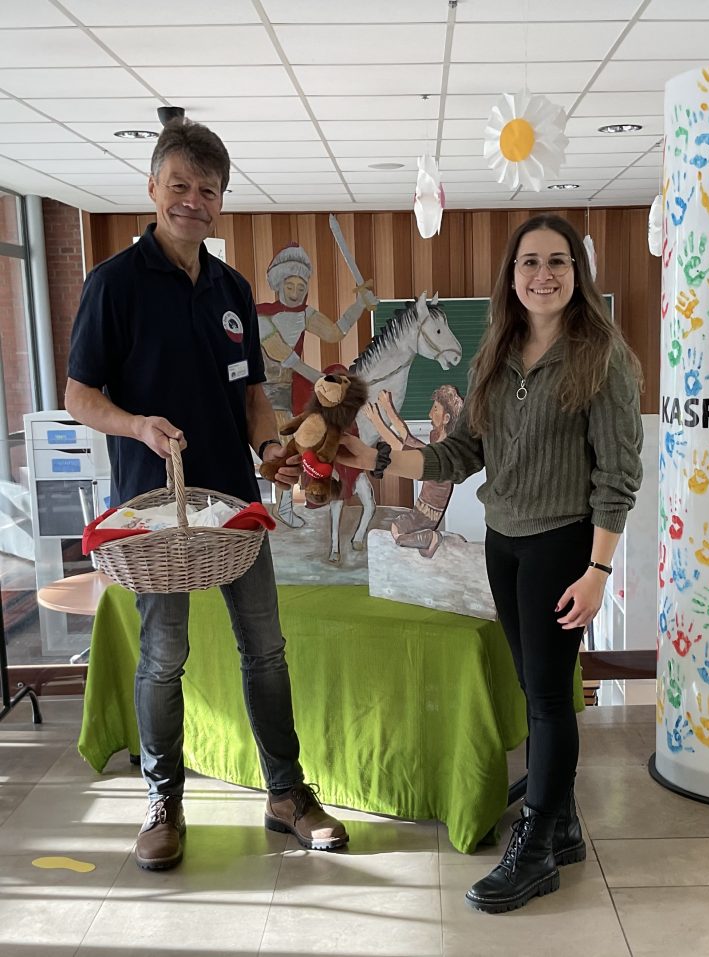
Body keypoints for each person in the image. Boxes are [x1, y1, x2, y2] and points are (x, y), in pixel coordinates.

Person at [65, 118, 349, 871]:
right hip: (155, 516)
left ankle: (286, 794)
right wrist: (137, 425)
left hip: (235, 510)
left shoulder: (231, 289)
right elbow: (78, 396)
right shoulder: (113, 284)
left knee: (267, 650)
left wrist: (270, 450)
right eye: (180, 185)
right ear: (153, 188)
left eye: (208, 189)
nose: (193, 200)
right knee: (164, 657)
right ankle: (164, 801)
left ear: (222, 200)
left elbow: (252, 393)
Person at [337, 213, 643, 912]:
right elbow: (459, 453)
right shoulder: (494, 354)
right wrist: (378, 457)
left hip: (563, 545)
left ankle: (535, 850)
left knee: (548, 697)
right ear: (512, 275)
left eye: (558, 261)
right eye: (530, 262)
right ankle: (562, 823)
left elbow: (618, 477)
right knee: (536, 689)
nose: (543, 274)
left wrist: (597, 573)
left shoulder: (602, 360)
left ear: (577, 274)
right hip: (504, 545)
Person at [257, 244, 375, 527]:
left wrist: (360, 304)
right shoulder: (260, 316)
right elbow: (286, 356)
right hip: (262, 391)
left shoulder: (305, 314)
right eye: (290, 285)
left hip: (290, 388)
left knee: (305, 438)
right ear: (278, 284)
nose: (295, 292)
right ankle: (281, 506)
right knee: (286, 446)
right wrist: (323, 381)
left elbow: (335, 333)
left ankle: (288, 504)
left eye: (301, 286)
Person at [362, 385, 464, 557]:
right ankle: (428, 544)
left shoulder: (441, 453)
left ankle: (431, 538)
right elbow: (407, 437)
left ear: (446, 418)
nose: (430, 414)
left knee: (398, 534)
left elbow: (399, 446)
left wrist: (375, 419)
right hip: (422, 508)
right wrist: (388, 407)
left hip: (427, 513)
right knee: (399, 528)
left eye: (435, 409)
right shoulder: (437, 439)